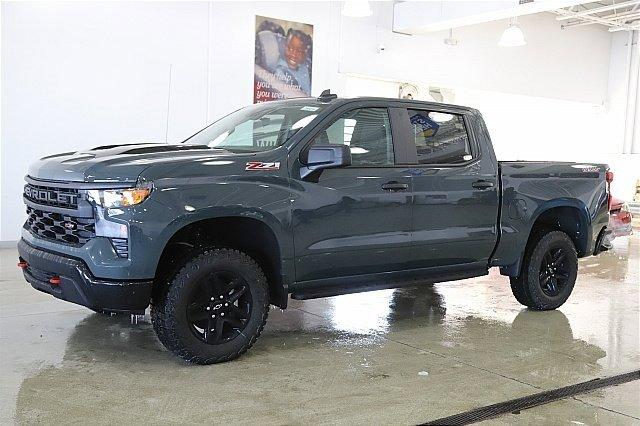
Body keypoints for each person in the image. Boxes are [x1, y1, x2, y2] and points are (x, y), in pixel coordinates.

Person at [274, 29, 312, 95]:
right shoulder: (279, 70)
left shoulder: (304, 69)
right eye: (290, 48)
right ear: (284, 47)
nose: (294, 55)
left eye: (299, 51)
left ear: (304, 54)